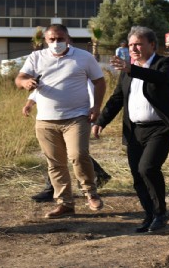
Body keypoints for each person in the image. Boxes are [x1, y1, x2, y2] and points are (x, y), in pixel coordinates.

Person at [92, 26, 169, 233]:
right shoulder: (128, 71)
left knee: (148, 168)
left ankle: (161, 213)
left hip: (160, 128)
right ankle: (149, 214)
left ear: (152, 44)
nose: (134, 48)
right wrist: (101, 122)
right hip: (134, 130)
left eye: (138, 43)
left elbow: (161, 79)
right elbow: (116, 99)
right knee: (138, 176)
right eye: (131, 44)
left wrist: (132, 69)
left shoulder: (165, 63)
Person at [15, 24, 106, 218]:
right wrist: (25, 83)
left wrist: (96, 106)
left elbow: (99, 81)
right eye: (52, 39)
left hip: (77, 117)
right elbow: (20, 78)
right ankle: (65, 203)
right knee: (55, 163)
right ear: (46, 40)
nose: (56, 43)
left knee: (79, 155)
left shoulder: (84, 57)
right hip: (46, 121)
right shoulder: (36, 57)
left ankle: (91, 193)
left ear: (68, 39)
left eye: (60, 39)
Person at [22, 82, 112, 202]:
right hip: (52, 118)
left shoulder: (81, 67)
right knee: (63, 152)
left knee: (72, 153)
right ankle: (99, 175)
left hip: (77, 117)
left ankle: (53, 189)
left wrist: (92, 111)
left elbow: (92, 90)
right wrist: (29, 104)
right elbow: (42, 90)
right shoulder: (47, 67)